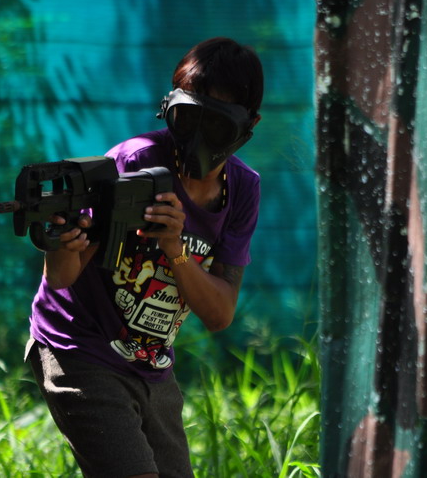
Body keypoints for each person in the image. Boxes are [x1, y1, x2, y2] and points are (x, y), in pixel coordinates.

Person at [26, 37, 263, 478]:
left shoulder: (243, 189)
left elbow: (219, 314)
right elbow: (61, 278)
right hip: (79, 345)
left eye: (215, 126)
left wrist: (174, 248)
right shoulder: (132, 163)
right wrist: (61, 241)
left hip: (151, 364)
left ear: (248, 127)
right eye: (187, 119)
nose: (196, 138)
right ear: (168, 110)